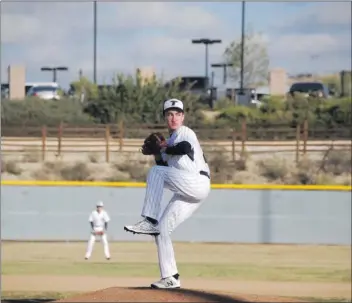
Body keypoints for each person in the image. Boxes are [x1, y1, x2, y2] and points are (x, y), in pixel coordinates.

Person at [124, 98, 211, 289]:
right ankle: (170, 277)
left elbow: (184, 148)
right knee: (162, 231)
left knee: (155, 173)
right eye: (169, 114)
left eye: (177, 114)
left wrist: (163, 147)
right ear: (165, 117)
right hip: (188, 189)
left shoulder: (184, 132)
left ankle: (149, 219)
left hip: (197, 181)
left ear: (183, 116)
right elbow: (164, 167)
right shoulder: (170, 143)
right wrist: (157, 154)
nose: (173, 118)